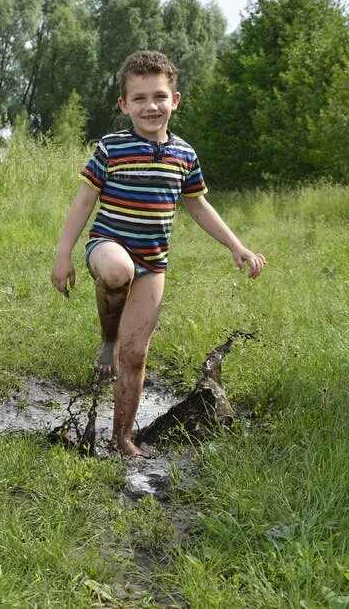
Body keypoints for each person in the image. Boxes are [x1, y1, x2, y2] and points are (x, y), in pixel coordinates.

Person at [50, 50, 266, 457]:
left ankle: (122, 439)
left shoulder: (184, 155)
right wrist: (64, 256)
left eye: (159, 96)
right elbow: (83, 202)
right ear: (123, 105)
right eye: (139, 98)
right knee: (116, 271)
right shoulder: (111, 148)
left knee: (137, 354)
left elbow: (198, 205)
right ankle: (107, 339)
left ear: (176, 99)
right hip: (108, 246)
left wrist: (237, 246)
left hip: (153, 263)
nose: (150, 106)